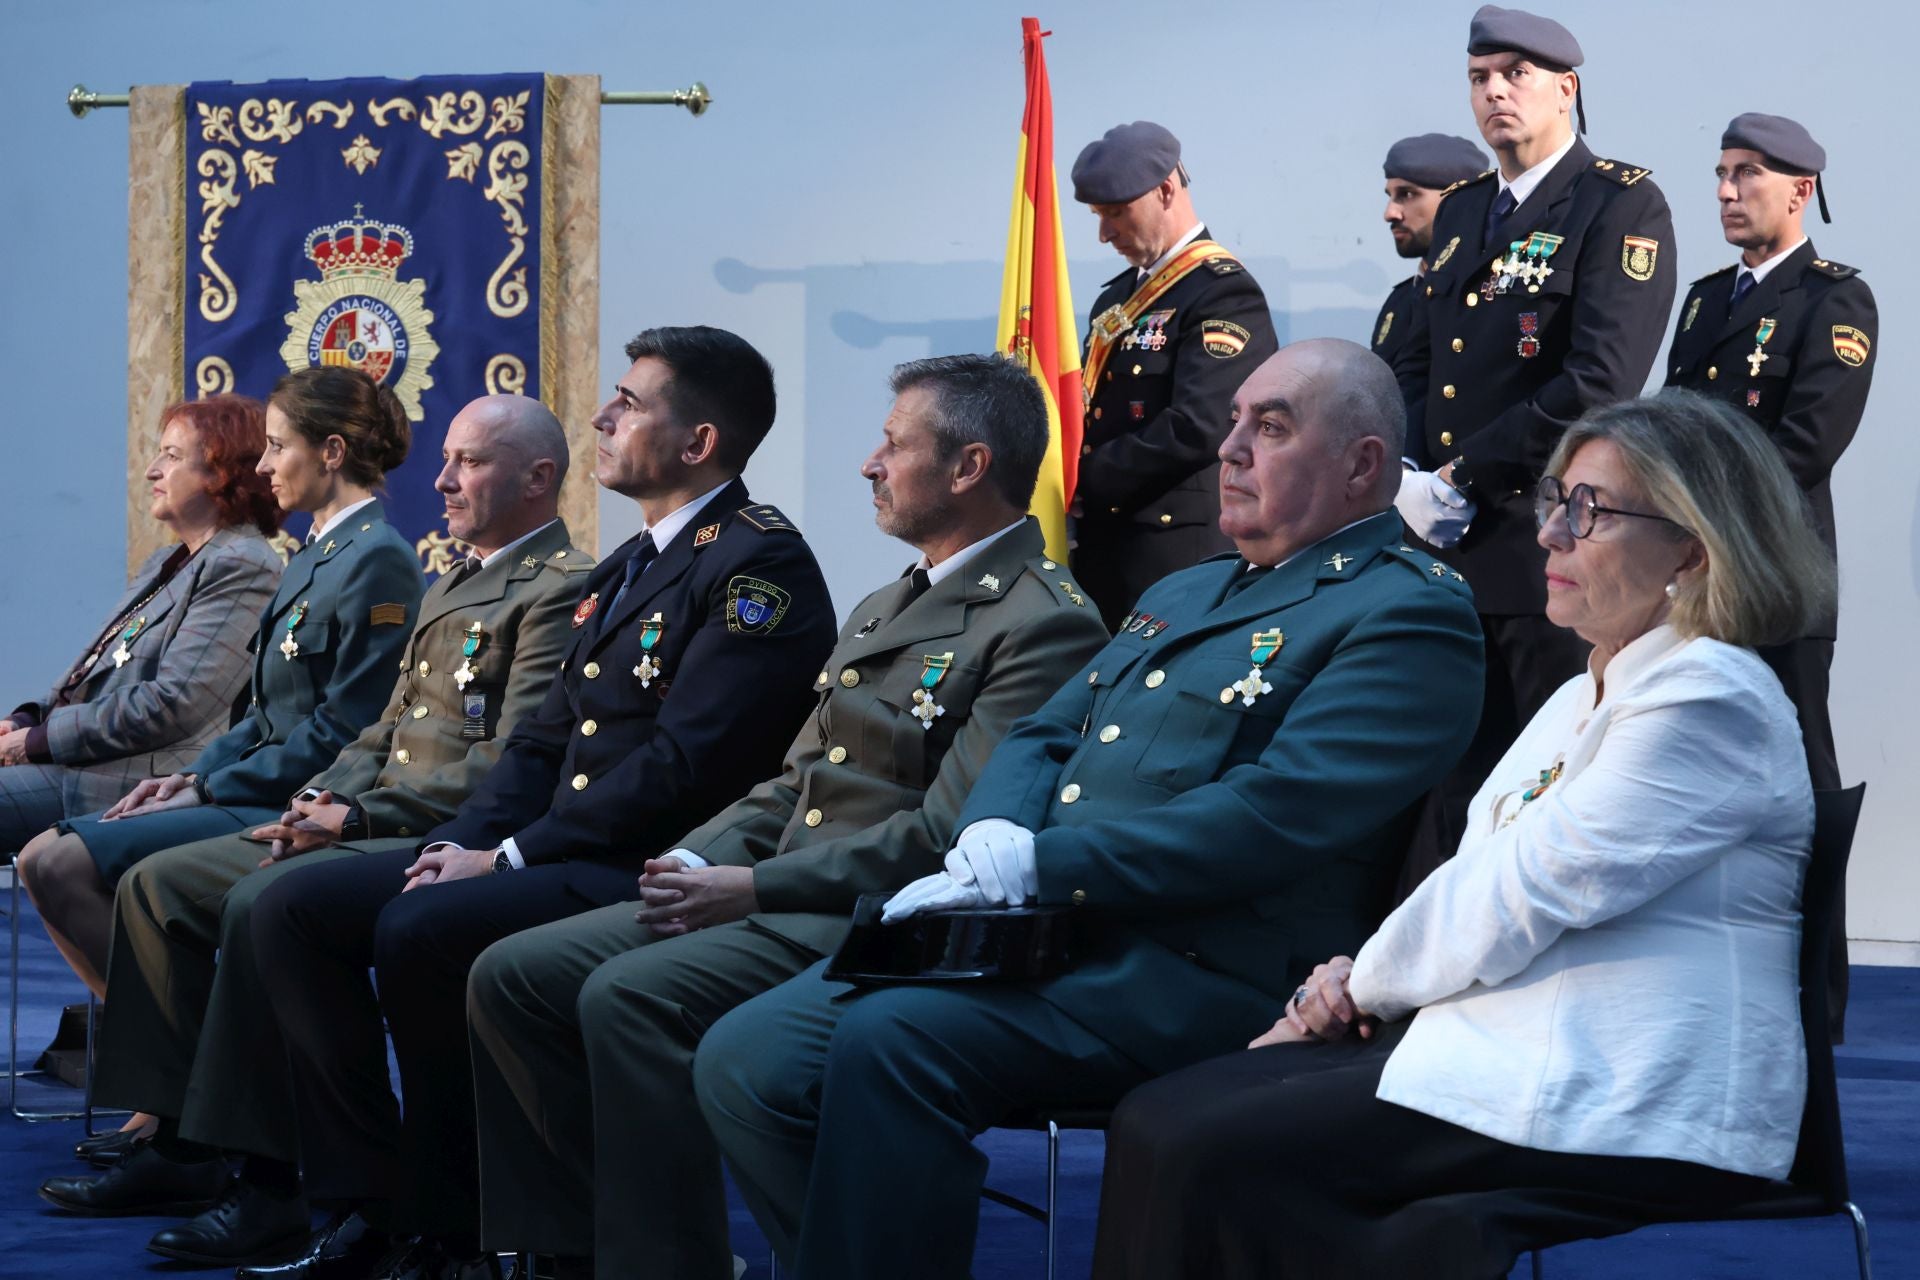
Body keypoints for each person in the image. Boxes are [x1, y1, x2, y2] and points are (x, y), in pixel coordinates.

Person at [692, 338, 1485, 1280]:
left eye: (1270, 428)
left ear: (1363, 465)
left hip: (1201, 965)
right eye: (1233, 422)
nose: (1229, 449)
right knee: (749, 1055)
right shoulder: (1189, 587)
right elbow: (1044, 734)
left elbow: (1273, 815)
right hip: (1048, 940)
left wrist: (1039, 867)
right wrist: (992, 833)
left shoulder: (1410, 614)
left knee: (889, 1041)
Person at [1090, 390, 1837, 1280]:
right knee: (1163, 1116)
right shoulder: (1583, 692)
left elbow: (1527, 888)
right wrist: (1354, 979)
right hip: (1517, 1045)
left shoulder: (1712, 695)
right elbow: (1481, 873)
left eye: (1588, 511)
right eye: (1554, 500)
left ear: (1693, 548)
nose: (1550, 535)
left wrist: (1360, 987)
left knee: (1198, 1143)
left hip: (1628, 1087)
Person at [466, 354, 1110, 1280]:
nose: (869, 464)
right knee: (516, 973)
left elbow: (948, 838)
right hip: (777, 888)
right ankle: (570, 1249)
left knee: (626, 995)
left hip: (870, 914)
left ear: (967, 468)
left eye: (893, 444)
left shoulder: (1041, 622)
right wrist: (692, 861)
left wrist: (755, 884)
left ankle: (671, 1264)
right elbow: (794, 783)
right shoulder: (891, 601)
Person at [238, 326, 838, 1280]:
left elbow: (684, 768)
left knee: (423, 928)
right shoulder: (628, 567)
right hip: (558, 846)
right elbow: (539, 745)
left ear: (698, 443)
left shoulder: (759, 568)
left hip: (651, 864)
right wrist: (462, 842)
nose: (603, 416)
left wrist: (506, 859)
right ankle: (371, 1200)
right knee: (295, 909)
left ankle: (463, 1227)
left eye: (630, 403)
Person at [36, 396, 593, 1270]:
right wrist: (318, 799)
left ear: (538, 479)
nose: (442, 481)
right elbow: (381, 731)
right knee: (162, 883)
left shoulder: (560, 589)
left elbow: (511, 763)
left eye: (469, 463)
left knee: (268, 904)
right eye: (445, 459)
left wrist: (357, 814)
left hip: (440, 829)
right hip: (365, 811)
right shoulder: (453, 581)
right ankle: (202, 1143)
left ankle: (281, 1181)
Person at [13, 366, 422, 1001]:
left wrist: (209, 786)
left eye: (279, 447)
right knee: (51, 860)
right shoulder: (312, 557)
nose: (264, 465)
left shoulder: (378, 557)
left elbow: (347, 729)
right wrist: (192, 778)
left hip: (290, 799)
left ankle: (183, 1069)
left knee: (58, 859)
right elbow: (259, 718)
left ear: (332, 453)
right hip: (248, 783)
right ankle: (177, 1072)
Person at [1390, 4, 1677, 890]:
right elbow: (1425, 361)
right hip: (1445, 546)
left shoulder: (1619, 202)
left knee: (1545, 785)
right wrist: (1410, 475)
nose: (1495, 93)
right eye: (1480, 78)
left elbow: (1600, 380)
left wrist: (1464, 472)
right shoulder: (1468, 207)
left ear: (1567, 89)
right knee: (1449, 787)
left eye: (1515, 75)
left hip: (1549, 541)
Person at [1662, 113, 1875, 1040]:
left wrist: (1697, 515)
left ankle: (1815, 1000)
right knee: (1688, 781)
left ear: (1800, 190)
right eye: (1718, 173)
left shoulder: (1836, 300)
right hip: (1691, 580)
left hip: (1777, 581)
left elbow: (1806, 446)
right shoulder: (1706, 300)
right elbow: (1668, 426)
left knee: (1799, 790)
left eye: (1746, 174)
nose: (1724, 192)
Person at [5, 393, 281, 903]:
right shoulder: (168, 560)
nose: (153, 470)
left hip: (139, 779)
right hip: (88, 761)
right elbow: (91, 671)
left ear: (224, 472)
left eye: (173, 456)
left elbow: (171, 704)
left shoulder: (243, 562)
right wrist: (24, 722)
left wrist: (33, 744)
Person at [1068, 119, 1279, 632]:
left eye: (1116, 212)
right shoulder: (1115, 298)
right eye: (1098, 216)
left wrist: (1080, 481)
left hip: (1174, 557)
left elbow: (1202, 426)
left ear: (1165, 190)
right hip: (1103, 552)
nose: (1104, 233)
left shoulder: (1221, 292)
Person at [1373, 133, 1489, 371]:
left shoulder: (1487, 294)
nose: (1390, 213)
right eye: (1391, 196)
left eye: (1407, 194)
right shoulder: (1401, 300)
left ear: (1458, 198)